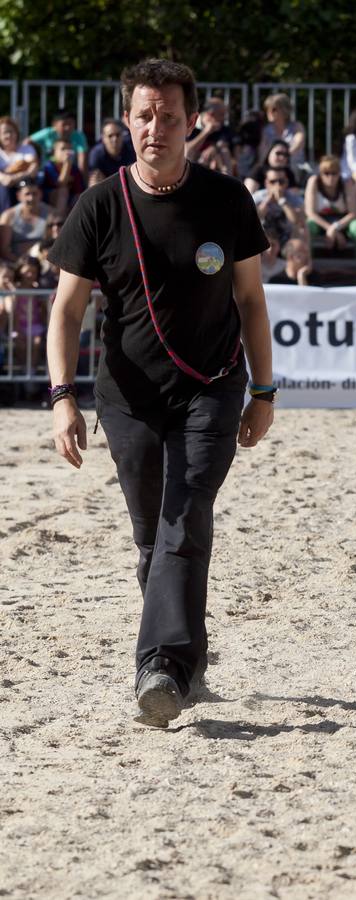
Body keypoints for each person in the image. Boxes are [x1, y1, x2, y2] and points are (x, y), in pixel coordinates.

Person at [45, 58, 274, 727]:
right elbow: (64, 310)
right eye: (144, 114)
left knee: (183, 517)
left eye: (168, 115)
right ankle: (188, 657)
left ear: (190, 121)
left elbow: (252, 301)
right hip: (129, 398)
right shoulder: (99, 206)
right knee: (154, 536)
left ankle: (160, 669)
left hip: (212, 389)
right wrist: (63, 397)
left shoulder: (226, 200)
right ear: (126, 120)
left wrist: (264, 390)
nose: (155, 127)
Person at [304, 154, 356, 258]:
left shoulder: (346, 183)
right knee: (308, 226)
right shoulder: (314, 181)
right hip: (320, 221)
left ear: (339, 173)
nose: (330, 177)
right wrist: (330, 229)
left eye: (334, 173)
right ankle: (307, 263)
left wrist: (335, 227)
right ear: (320, 173)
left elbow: (353, 213)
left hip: (343, 221)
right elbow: (310, 213)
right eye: (326, 173)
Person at [27, 109, 89, 179]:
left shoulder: (79, 136)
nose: (67, 128)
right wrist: (33, 159)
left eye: (71, 123)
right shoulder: (47, 133)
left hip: (71, 172)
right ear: (54, 124)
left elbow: (82, 162)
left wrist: (82, 180)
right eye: (64, 124)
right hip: (47, 172)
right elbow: (27, 142)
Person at [0, 179, 50, 261]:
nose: (31, 198)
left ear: (40, 194)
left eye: (35, 194)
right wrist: (20, 265)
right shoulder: (8, 216)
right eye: (27, 194)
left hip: (44, 261)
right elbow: (4, 250)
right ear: (18, 196)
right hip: (16, 263)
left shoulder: (51, 214)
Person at [253, 166, 306, 243]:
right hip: (263, 240)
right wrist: (267, 201)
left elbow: (296, 221)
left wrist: (282, 200)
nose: (277, 185)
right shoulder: (257, 197)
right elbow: (255, 219)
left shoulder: (294, 198)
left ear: (286, 182)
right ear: (266, 183)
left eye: (281, 181)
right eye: (273, 182)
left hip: (287, 240)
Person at [0, 117, 38, 212]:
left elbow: (33, 171)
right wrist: (23, 172)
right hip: (4, 188)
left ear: (16, 133)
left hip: (24, 184)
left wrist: (14, 177)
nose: (9, 135)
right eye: (5, 132)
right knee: (4, 189)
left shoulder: (27, 149)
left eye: (11, 131)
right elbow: (5, 181)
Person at [259, 93, 306, 171]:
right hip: (272, 169)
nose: (269, 112)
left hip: (295, 167)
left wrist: (283, 156)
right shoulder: (266, 130)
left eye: (274, 109)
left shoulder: (297, 126)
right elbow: (262, 152)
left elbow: (299, 144)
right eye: (268, 109)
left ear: (284, 110)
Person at [40, 139, 85, 215]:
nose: (67, 152)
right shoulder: (49, 166)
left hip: (68, 199)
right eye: (63, 149)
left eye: (69, 149)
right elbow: (60, 184)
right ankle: (60, 221)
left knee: (80, 197)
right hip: (51, 199)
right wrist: (67, 164)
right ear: (54, 152)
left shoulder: (74, 168)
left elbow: (79, 190)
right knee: (63, 191)